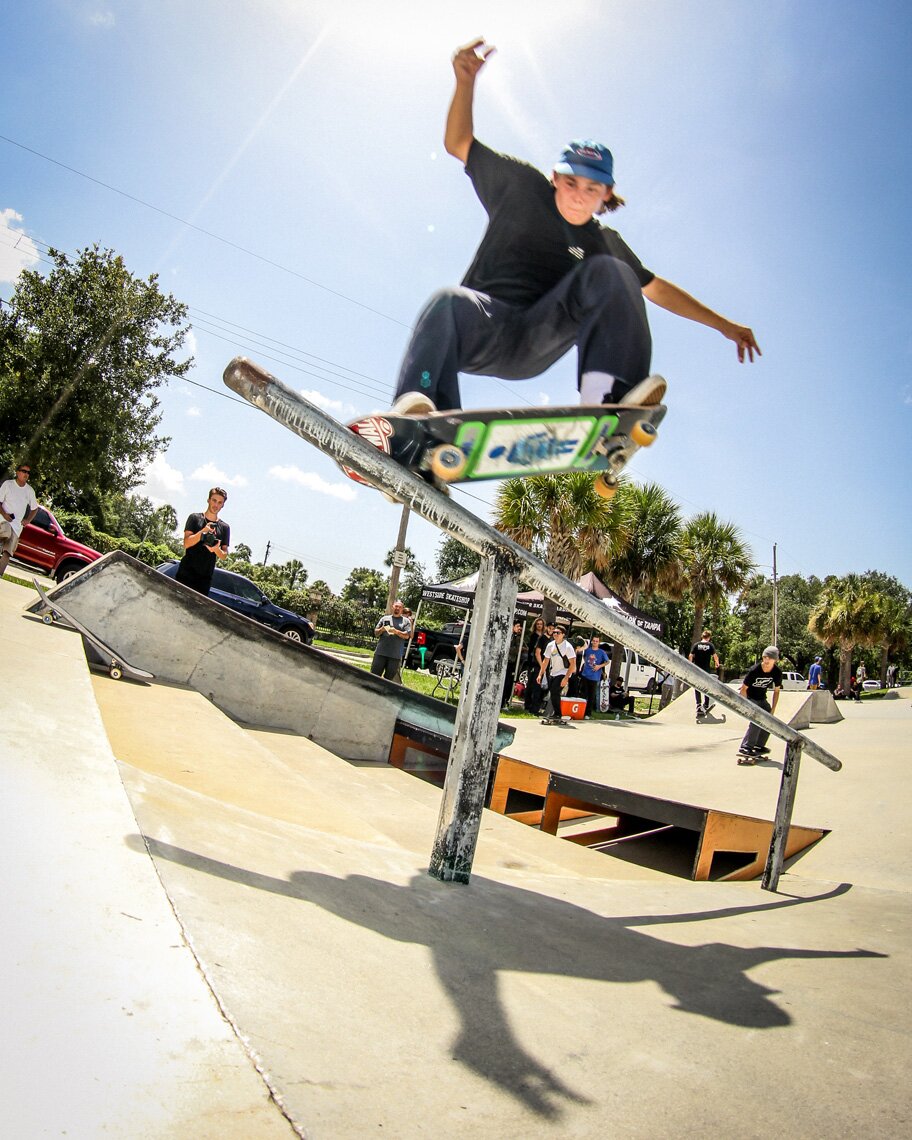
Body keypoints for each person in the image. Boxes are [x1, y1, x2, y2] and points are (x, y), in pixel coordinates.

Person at [387, 38, 760, 421]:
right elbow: (458, 143)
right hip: (484, 328)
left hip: (539, 336)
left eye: (591, 189)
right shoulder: (520, 185)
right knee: (447, 300)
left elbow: (656, 289)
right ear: (554, 178)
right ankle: (423, 418)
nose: (578, 197)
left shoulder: (603, 241)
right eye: (570, 183)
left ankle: (609, 402)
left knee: (613, 270)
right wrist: (465, 83)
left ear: (606, 194)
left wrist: (724, 326)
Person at [175, 487, 230, 597]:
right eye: (214, 500)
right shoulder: (194, 518)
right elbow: (186, 543)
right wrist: (202, 532)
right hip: (186, 573)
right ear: (208, 500)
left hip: (204, 579)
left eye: (220, 502)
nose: (216, 505)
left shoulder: (225, 527)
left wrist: (216, 550)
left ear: (223, 505)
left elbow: (224, 555)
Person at [737, 647, 782, 764]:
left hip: (762, 699)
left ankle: (758, 745)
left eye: (769, 658)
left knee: (769, 720)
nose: (766, 661)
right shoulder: (754, 670)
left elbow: (777, 691)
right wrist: (744, 706)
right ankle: (746, 746)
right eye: (764, 658)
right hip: (750, 698)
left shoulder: (777, 672)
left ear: (775, 660)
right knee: (758, 719)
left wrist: (773, 709)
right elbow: (743, 689)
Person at [0, 462, 40, 579]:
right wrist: (4, 514)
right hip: (3, 521)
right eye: (23, 471)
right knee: (6, 533)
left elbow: (35, 508)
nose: (26, 474)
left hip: (17, 526)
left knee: (8, 552)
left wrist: (28, 520)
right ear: (17, 472)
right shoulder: (8, 484)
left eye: (28, 472)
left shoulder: (29, 491)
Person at [537, 625, 576, 724]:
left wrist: (566, 678)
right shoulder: (550, 645)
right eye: (554, 632)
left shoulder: (567, 647)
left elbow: (573, 663)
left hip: (563, 672)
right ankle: (557, 713)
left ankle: (557, 714)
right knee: (553, 692)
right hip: (553, 672)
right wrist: (540, 674)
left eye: (558, 633)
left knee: (555, 690)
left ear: (563, 634)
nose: (555, 634)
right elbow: (546, 661)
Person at [371, 599, 412, 681]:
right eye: (396, 606)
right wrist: (382, 629)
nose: (397, 608)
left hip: (395, 656)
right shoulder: (384, 618)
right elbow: (376, 633)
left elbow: (407, 636)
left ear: (402, 609)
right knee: (373, 677)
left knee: (388, 680)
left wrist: (396, 632)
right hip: (380, 653)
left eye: (399, 607)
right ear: (392, 607)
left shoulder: (406, 621)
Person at [688, 630, 721, 718]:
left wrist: (690, 664)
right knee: (707, 687)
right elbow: (715, 656)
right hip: (706, 670)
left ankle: (698, 704)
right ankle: (706, 704)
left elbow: (691, 655)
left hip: (697, 669)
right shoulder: (710, 645)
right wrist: (717, 663)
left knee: (697, 687)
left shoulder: (696, 645)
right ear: (709, 637)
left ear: (702, 636)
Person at [578, 633, 610, 718]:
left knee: (591, 696)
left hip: (595, 677)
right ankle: (581, 711)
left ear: (599, 642)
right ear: (591, 641)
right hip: (585, 674)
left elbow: (607, 661)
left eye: (597, 641)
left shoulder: (601, 652)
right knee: (583, 694)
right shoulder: (587, 650)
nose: (595, 642)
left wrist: (599, 666)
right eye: (594, 641)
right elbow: (584, 657)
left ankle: (588, 713)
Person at [523, 617, 548, 714]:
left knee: (539, 686)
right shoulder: (533, 636)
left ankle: (536, 705)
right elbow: (533, 650)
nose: (539, 626)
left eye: (541, 624)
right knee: (531, 685)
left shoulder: (545, 637)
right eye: (538, 624)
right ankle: (528, 704)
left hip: (542, 662)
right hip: (533, 663)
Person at [502, 619, 525, 708]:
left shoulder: (518, 637)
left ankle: (506, 700)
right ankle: (502, 701)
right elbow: (509, 649)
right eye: (517, 626)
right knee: (506, 683)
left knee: (510, 683)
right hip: (507, 662)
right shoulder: (509, 636)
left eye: (520, 626)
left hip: (514, 663)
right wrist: (519, 649)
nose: (519, 628)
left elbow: (524, 647)